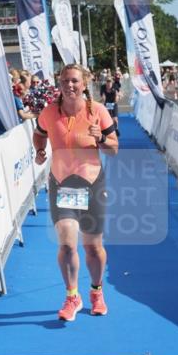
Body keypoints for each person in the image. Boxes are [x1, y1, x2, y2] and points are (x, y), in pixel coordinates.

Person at [33, 64, 119, 322]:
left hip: (92, 183)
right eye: (64, 81)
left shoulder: (98, 111)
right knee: (68, 243)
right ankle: (72, 296)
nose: (69, 85)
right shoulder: (49, 113)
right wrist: (40, 151)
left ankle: (96, 291)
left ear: (84, 84)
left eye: (74, 81)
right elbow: (39, 134)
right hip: (63, 184)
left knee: (92, 247)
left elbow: (114, 148)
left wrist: (101, 139)